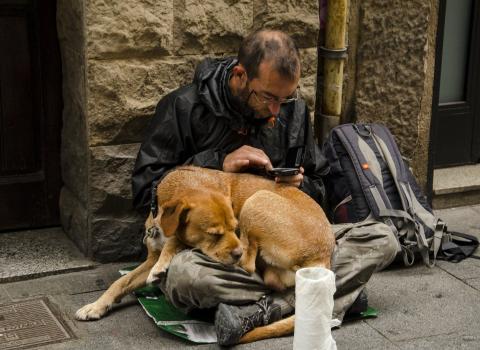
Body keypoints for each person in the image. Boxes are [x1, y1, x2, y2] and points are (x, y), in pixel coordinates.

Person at [131, 29, 399, 345]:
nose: (276, 111)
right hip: (223, 254)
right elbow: (146, 190)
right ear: (240, 75)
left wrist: (301, 185)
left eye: (284, 99)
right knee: (185, 278)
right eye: (269, 97)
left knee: (384, 238)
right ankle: (325, 294)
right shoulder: (183, 107)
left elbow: (323, 188)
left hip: (282, 244)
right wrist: (218, 162)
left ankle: (265, 309)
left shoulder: (294, 112)